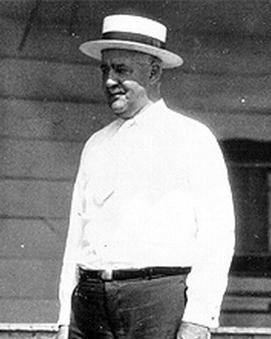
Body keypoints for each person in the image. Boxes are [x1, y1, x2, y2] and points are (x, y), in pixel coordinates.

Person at [57, 14, 235, 339]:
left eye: (121, 70)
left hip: (156, 303)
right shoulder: (96, 145)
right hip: (90, 302)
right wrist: (64, 319)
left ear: (153, 72)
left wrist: (199, 318)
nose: (110, 80)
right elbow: (76, 234)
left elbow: (217, 235)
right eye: (105, 69)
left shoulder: (191, 138)